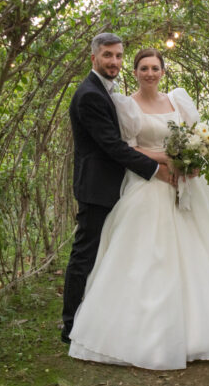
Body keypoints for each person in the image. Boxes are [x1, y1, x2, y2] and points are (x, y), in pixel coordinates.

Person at [68, 48, 209, 369]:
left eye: (154, 68)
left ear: (163, 71)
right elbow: (128, 147)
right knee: (150, 253)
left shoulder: (177, 100)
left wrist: (194, 158)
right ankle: (146, 329)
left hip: (188, 182)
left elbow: (195, 136)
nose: (149, 73)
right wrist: (166, 160)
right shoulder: (126, 106)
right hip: (150, 181)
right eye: (143, 68)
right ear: (135, 72)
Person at [61, 34, 175, 345]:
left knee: (105, 253)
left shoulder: (105, 92)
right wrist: (158, 167)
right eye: (108, 55)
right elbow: (112, 146)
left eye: (118, 56)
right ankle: (70, 325)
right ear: (94, 58)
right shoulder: (90, 95)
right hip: (97, 186)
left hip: (114, 183)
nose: (114, 62)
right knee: (85, 254)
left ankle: (95, 314)